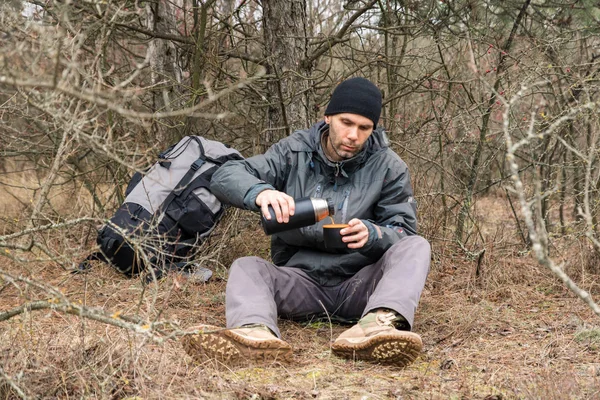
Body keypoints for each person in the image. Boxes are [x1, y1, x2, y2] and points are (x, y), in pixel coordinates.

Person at [181, 77, 431, 367]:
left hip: (361, 286)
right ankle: (254, 333)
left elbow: (403, 231)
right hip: (300, 283)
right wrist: (261, 193)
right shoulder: (294, 151)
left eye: (364, 128)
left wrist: (374, 234)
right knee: (247, 266)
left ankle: (377, 327)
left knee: (417, 246)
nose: (353, 135)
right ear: (328, 118)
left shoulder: (389, 166)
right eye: (346, 123)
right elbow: (225, 176)